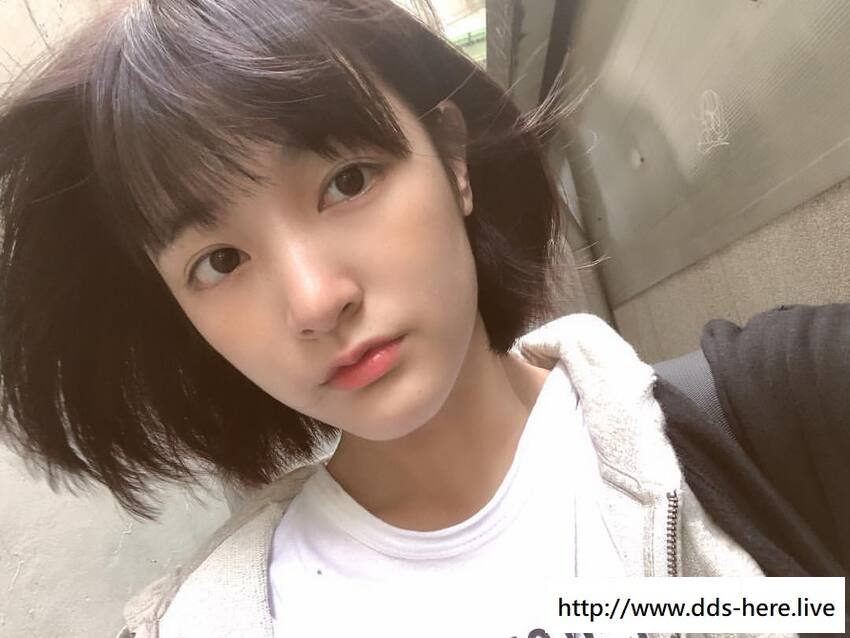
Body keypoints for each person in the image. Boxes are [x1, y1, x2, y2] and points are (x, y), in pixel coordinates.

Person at [0, 1, 845, 637]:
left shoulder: (780, 412)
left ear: (453, 160)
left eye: (347, 181)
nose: (315, 300)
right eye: (218, 262)